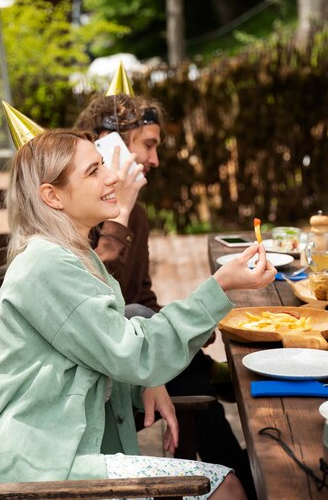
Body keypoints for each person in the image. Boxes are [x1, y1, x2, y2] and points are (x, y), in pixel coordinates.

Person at [0, 128, 275, 499]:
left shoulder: (71, 255)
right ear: (52, 196)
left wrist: (141, 382)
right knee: (225, 488)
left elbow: (93, 353)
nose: (112, 176)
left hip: (59, 454)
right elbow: (133, 353)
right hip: (38, 468)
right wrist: (220, 286)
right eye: (94, 170)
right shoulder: (47, 265)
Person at [75, 93, 257, 498]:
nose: (155, 160)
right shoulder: (84, 217)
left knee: (181, 363)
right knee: (192, 378)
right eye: (149, 144)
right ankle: (241, 465)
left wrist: (184, 328)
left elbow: (141, 294)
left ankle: (238, 463)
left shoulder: (134, 212)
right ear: (112, 144)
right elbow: (101, 297)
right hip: (105, 371)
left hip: (130, 356)